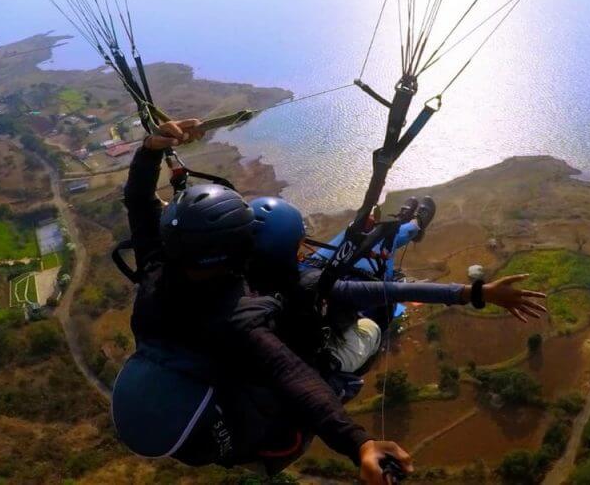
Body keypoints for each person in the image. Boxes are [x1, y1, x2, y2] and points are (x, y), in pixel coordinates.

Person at [110, 119, 413, 484]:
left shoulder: (156, 275)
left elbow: (140, 207)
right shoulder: (240, 319)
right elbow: (294, 374)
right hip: (272, 422)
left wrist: (149, 152)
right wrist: (359, 443)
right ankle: (358, 353)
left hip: (190, 386)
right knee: (368, 328)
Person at [245, 195, 548, 377]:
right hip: (335, 347)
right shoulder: (316, 288)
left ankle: (402, 225)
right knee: (380, 275)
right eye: (301, 241)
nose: (305, 245)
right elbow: (399, 292)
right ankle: (413, 226)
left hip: (304, 310)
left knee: (350, 240)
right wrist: (479, 292)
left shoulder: (245, 281)